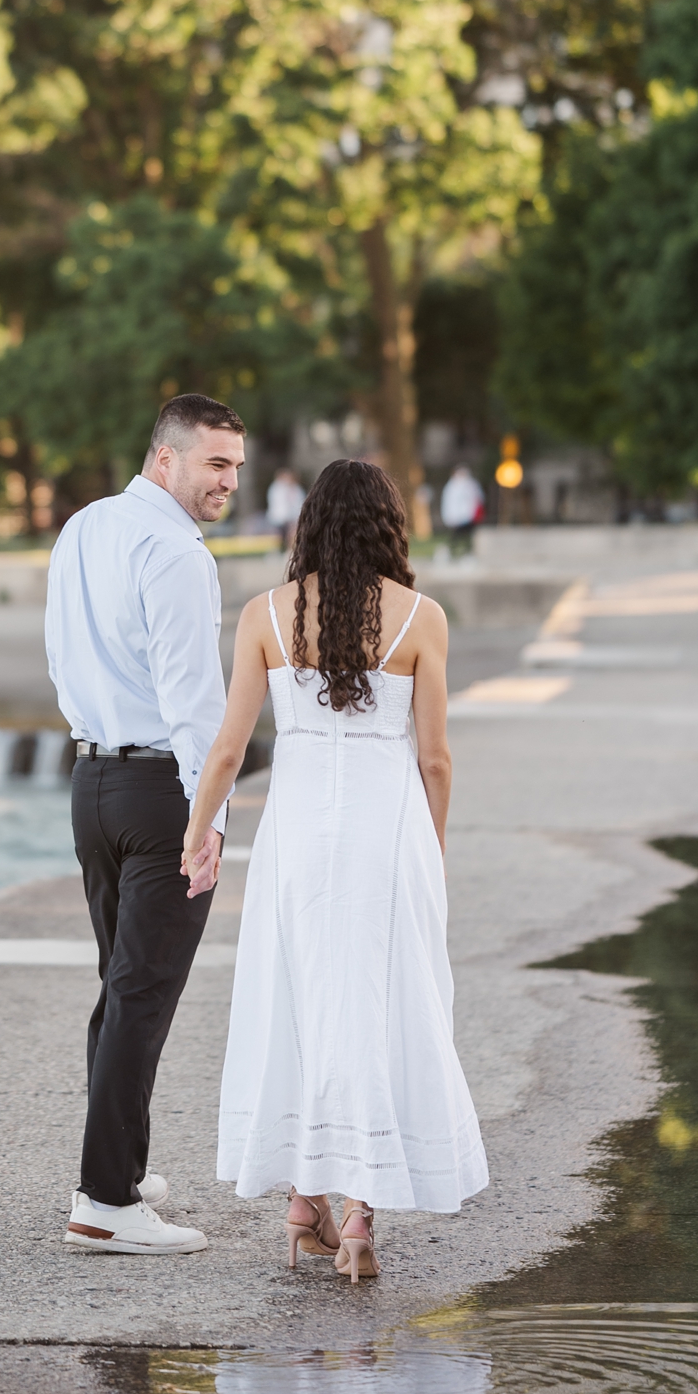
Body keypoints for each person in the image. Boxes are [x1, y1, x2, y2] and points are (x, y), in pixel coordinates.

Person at [183, 459, 487, 1282]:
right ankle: (358, 1220)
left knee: (298, 996)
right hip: (388, 833)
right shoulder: (423, 618)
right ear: (390, 526)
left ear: (307, 525)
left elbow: (227, 748)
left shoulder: (265, 616)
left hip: (297, 835)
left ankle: (299, 1201)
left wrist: (199, 830)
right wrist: (437, 846)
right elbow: (435, 760)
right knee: (382, 1004)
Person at [45, 392, 246, 1256]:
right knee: (142, 994)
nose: (228, 481)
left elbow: (59, 653)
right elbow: (196, 702)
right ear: (164, 459)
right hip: (163, 790)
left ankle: (114, 1168)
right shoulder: (175, 552)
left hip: (91, 780)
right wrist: (211, 820)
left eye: (236, 466)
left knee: (120, 989)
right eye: (214, 463)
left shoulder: (84, 526)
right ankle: (105, 1205)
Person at [439, 462, 485, 555]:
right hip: (457, 517)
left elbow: (478, 498)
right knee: (457, 535)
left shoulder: (471, 484)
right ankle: (452, 550)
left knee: (467, 536)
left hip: (469, 516)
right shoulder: (452, 486)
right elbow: (449, 503)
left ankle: (468, 551)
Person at [264, 467, 305, 551]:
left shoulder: (296, 489)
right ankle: (276, 550)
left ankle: (290, 550)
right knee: (277, 537)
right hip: (278, 518)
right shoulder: (276, 488)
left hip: (292, 518)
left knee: (293, 534)